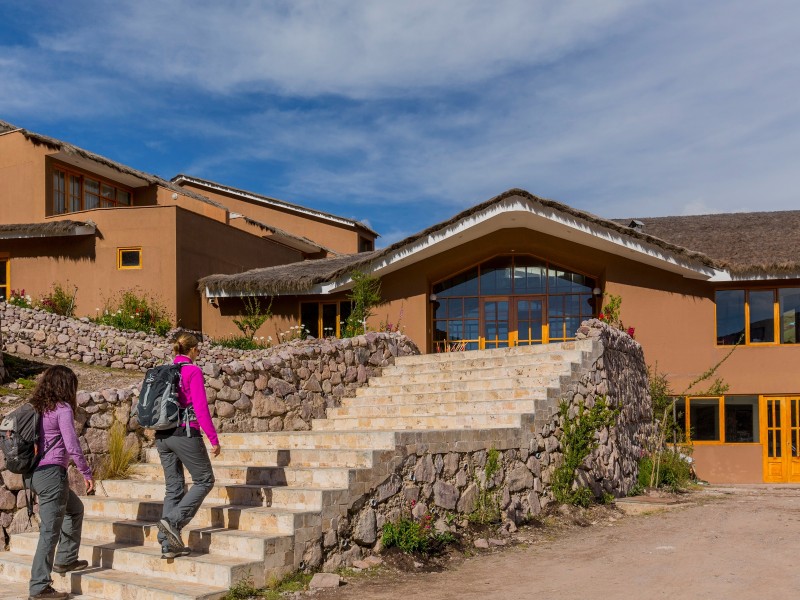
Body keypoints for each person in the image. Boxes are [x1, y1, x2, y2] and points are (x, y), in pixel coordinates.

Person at [27, 365, 95, 600]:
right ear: (67, 386)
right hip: (52, 475)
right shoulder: (62, 408)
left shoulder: (40, 407)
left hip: (37, 474)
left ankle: (65, 560)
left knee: (75, 510)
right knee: (49, 532)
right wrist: (86, 472)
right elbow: (72, 445)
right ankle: (39, 586)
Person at [155, 332, 220, 559]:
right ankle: (172, 522)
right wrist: (213, 439)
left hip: (162, 436)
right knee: (205, 480)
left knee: (173, 488)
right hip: (185, 432)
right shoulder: (192, 370)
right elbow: (201, 409)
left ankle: (168, 544)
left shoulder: (165, 371)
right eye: (198, 350)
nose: (198, 354)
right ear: (192, 350)